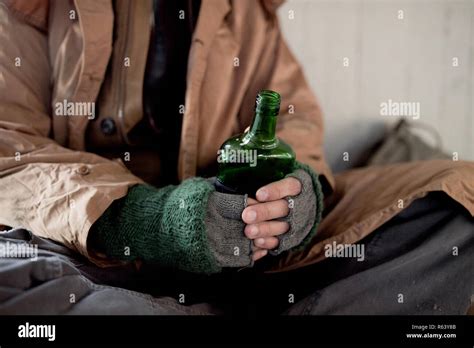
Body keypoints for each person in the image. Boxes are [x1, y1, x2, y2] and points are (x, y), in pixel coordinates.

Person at [0, 0, 473, 315]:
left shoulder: (250, 11)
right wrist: (146, 221)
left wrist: (299, 195)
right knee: (16, 275)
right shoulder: (29, 7)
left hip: (244, 256)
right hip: (88, 254)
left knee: (457, 200)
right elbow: (11, 153)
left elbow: (295, 122)